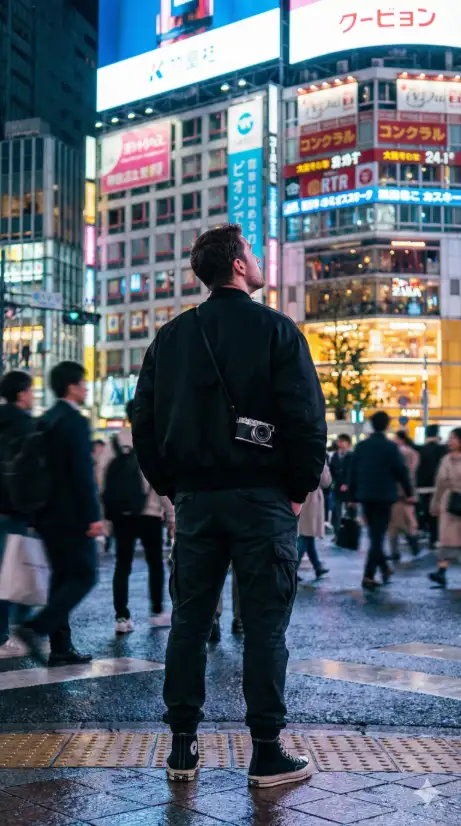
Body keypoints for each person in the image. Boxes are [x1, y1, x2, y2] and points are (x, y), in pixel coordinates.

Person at [133, 224, 326, 788]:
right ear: (238, 266)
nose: (259, 258)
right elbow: (305, 419)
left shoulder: (169, 338)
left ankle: (183, 748)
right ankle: (267, 751)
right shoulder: (276, 331)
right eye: (254, 251)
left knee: (190, 623)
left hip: (196, 500)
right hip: (263, 499)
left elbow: (142, 421)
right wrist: (296, 490)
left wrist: (172, 485)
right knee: (265, 626)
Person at [17, 362, 102, 666]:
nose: (86, 388)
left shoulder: (45, 419)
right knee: (85, 575)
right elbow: (82, 474)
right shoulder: (74, 422)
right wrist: (93, 516)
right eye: (83, 383)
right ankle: (37, 627)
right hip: (73, 517)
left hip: (46, 514)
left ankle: (61, 647)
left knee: (61, 579)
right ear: (71, 387)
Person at [100, 400, 174, 634]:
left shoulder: (112, 443)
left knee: (122, 565)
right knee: (155, 564)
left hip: (122, 515)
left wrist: (106, 513)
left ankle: (121, 617)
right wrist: (171, 515)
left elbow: (101, 478)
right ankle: (157, 611)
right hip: (150, 513)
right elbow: (161, 481)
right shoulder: (152, 440)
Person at [348, 411, 412, 591]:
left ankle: (383, 569)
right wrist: (409, 492)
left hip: (365, 496)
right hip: (385, 496)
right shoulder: (390, 447)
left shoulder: (361, 446)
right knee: (377, 534)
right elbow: (401, 471)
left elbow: (352, 472)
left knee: (374, 534)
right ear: (386, 426)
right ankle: (369, 575)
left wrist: (351, 497)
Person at [0, 371, 35, 655]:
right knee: (18, 573)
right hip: (16, 509)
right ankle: (12, 633)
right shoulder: (25, 425)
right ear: (22, 393)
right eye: (31, 391)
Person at [428, 428, 461, 588]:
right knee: (447, 539)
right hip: (449, 502)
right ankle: (441, 571)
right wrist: (435, 502)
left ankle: (442, 572)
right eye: (449, 438)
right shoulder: (446, 459)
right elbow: (439, 483)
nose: (450, 441)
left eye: (453, 438)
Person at [388, 431, 420, 561]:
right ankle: (413, 544)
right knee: (409, 521)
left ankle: (395, 551)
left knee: (393, 525)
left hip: (397, 493)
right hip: (407, 493)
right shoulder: (413, 453)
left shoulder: (398, 452)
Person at [297, 462, 331, 580]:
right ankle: (291, 569)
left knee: (308, 535)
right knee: (305, 536)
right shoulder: (318, 456)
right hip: (312, 499)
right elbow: (326, 481)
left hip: (300, 497)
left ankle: (317, 566)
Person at [417, 424, 447, 549]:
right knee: (440, 513)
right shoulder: (443, 449)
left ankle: (431, 536)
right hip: (441, 487)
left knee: (427, 512)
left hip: (423, 487)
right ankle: (438, 537)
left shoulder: (420, 449)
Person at [330, 434, 352, 543]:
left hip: (349, 490)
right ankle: (337, 534)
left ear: (348, 443)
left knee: (350, 513)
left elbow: (352, 471)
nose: (341, 443)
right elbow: (332, 470)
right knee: (336, 512)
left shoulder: (351, 456)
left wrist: (347, 483)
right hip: (337, 488)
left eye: (343, 441)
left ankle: (349, 535)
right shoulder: (335, 455)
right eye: (340, 441)